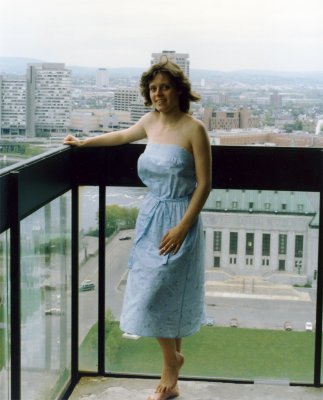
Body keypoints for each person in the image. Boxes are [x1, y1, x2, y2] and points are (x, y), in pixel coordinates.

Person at [64, 59, 212, 400]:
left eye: (164, 87)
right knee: (150, 290)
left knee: (164, 292)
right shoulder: (150, 122)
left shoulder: (195, 129)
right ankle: (172, 365)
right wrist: (84, 143)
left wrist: (182, 227)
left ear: (179, 90)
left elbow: (204, 185)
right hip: (151, 217)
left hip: (180, 218)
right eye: (153, 88)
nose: (158, 94)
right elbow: (121, 135)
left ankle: (170, 367)